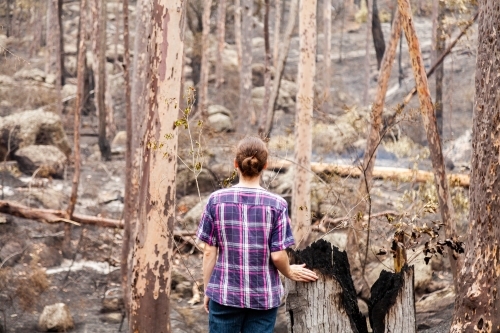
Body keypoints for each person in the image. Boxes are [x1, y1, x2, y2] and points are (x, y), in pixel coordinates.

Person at [196, 136, 318, 333]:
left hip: (225, 294)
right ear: (265, 165)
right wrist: (289, 271)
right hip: (263, 297)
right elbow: (278, 256)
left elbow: (209, 252)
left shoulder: (216, 200)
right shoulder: (277, 205)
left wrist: (208, 288)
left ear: (236, 164)